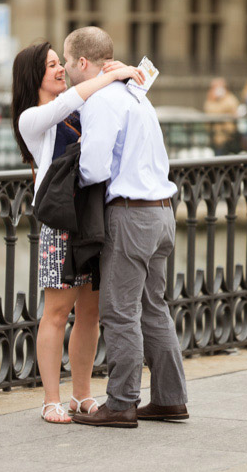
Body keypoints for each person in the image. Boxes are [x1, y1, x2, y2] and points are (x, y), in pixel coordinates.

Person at [11, 41, 144, 423]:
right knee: (56, 312)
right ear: (32, 75)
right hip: (61, 225)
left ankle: (81, 394)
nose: (59, 70)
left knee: (90, 313)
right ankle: (50, 399)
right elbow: (68, 100)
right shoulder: (32, 118)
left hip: (92, 219)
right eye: (51, 65)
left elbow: (100, 107)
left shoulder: (81, 107)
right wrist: (109, 75)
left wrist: (123, 79)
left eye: (60, 63)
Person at [66, 26, 189, 429]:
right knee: (154, 308)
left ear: (83, 62)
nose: (66, 69)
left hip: (130, 215)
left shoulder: (101, 101)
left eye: (67, 61)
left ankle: (121, 403)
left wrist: (72, 180)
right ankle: (171, 400)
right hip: (162, 213)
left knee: (119, 313)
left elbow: (94, 168)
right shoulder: (137, 94)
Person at [203, 77, 240, 155]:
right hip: (216, 137)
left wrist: (224, 97)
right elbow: (210, 111)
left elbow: (233, 107)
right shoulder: (210, 100)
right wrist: (212, 99)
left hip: (229, 136)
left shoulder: (230, 98)